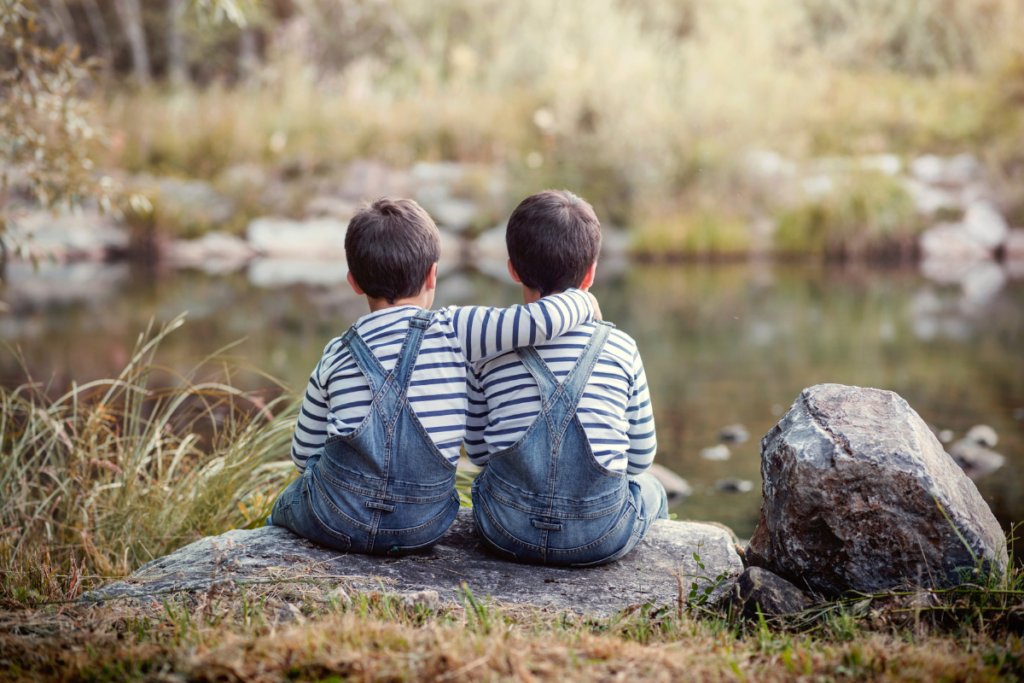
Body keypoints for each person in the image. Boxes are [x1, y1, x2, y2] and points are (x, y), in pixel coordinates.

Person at [267, 197, 599, 556]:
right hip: (423, 522)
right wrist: (584, 301)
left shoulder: (336, 352)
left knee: (289, 499)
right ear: (432, 275)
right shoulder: (457, 329)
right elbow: (539, 321)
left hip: (336, 517)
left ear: (354, 282)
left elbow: (303, 456)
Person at [466, 190, 666, 566]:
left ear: (512, 268)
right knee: (653, 488)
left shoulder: (488, 349)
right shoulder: (621, 347)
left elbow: (478, 454)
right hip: (600, 534)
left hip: (504, 529)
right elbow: (640, 459)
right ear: (591, 272)